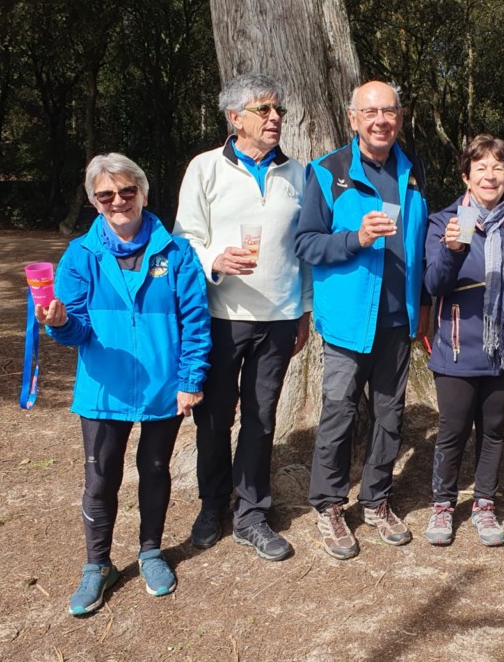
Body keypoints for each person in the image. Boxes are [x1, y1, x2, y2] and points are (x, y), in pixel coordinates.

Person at [37, 153, 211, 616]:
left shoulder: (177, 253)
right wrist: (59, 322)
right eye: (105, 195)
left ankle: (151, 552)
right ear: (95, 202)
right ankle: (97, 565)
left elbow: (196, 323)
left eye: (126, 191)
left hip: (163, 387)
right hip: (103, 389)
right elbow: (75, 331)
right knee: (100, 480)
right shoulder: (81, 254)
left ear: (144, 194)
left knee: (155, 469)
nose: (118, 201)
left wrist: (190, 380)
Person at [173, 75, 312, 561]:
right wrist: (214, 259)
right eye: (264, 110)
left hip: (279, 318)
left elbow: (304, 248)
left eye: (279, 110)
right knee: (214, 419)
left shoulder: (298, 174)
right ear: (235, 118)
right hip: (219, 316)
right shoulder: (205, 168)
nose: (275, 118)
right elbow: (184, 238)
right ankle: (212, 504)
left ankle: (252, 513)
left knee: (261, 418)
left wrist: (304, 311)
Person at [295, 80, 429, 560]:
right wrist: (355, 239)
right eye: (370, 112)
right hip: (349, 321)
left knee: (390, 417)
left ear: (400, 117)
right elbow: (305, 243)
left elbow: (423, 241)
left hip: (397, 320)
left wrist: (423, 306)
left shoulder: (413, 171)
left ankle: (376, 500)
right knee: (338, 415)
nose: (380, 121)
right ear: (353, 118)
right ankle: (329, 505)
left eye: (388, 112)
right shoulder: (328, 171)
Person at [423, 135, 504, 547]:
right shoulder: (447, 221)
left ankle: (484, 503)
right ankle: (443, 504)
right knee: (452, 430)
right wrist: (452, 250)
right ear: (466, 176)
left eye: (498, 167)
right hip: (458, 346)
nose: (490, 175)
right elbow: (434, 283)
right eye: (481, 168)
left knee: (493, 430)